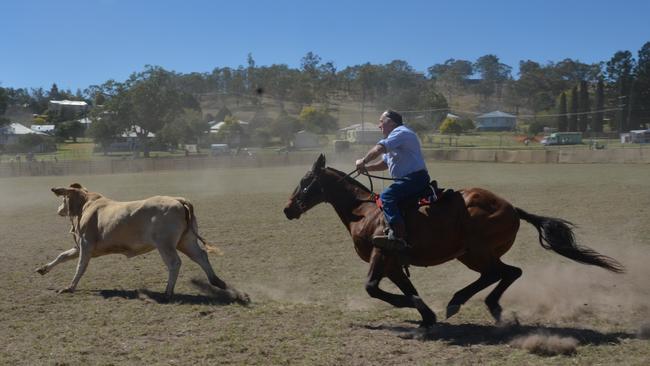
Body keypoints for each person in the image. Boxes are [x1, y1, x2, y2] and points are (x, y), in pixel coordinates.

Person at [355, 110, 430, 251]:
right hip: (408, 180)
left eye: (381, 122)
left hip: (414, 179)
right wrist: (367, 168)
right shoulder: (395, 139)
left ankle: (398, 236)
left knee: (386, 196)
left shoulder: (401, 132)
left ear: (391, 122)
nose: (379, 126)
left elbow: (379, 148)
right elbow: (384, 164)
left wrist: (363, 161)